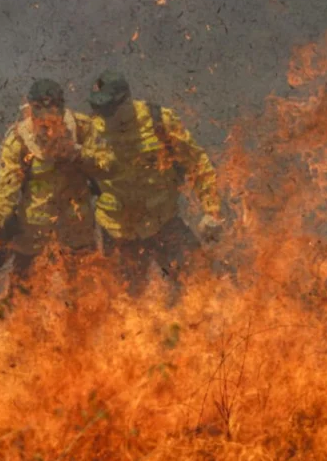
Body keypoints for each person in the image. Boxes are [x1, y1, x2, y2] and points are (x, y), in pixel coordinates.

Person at [84, 69, 224, 297]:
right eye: (98, 110)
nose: (104, 117)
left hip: (163, 223)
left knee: (200, 283)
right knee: (124, 306)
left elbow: (197, 163)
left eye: (110, 110)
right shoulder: (90, 131)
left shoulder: (160, 121)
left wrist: (212, 211)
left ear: (126, 101)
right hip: (119, 234)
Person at [0, 79, 100, 294]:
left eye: (53, 114)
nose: (47, 126)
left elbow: (107, 167)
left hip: (77, 238)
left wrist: (77, 154)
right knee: (22, 302)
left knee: (86, 303)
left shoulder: (83, 128)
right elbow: (5, 195)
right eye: (40, 115)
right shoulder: (19, 140)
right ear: (31, 110)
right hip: (32, 241)